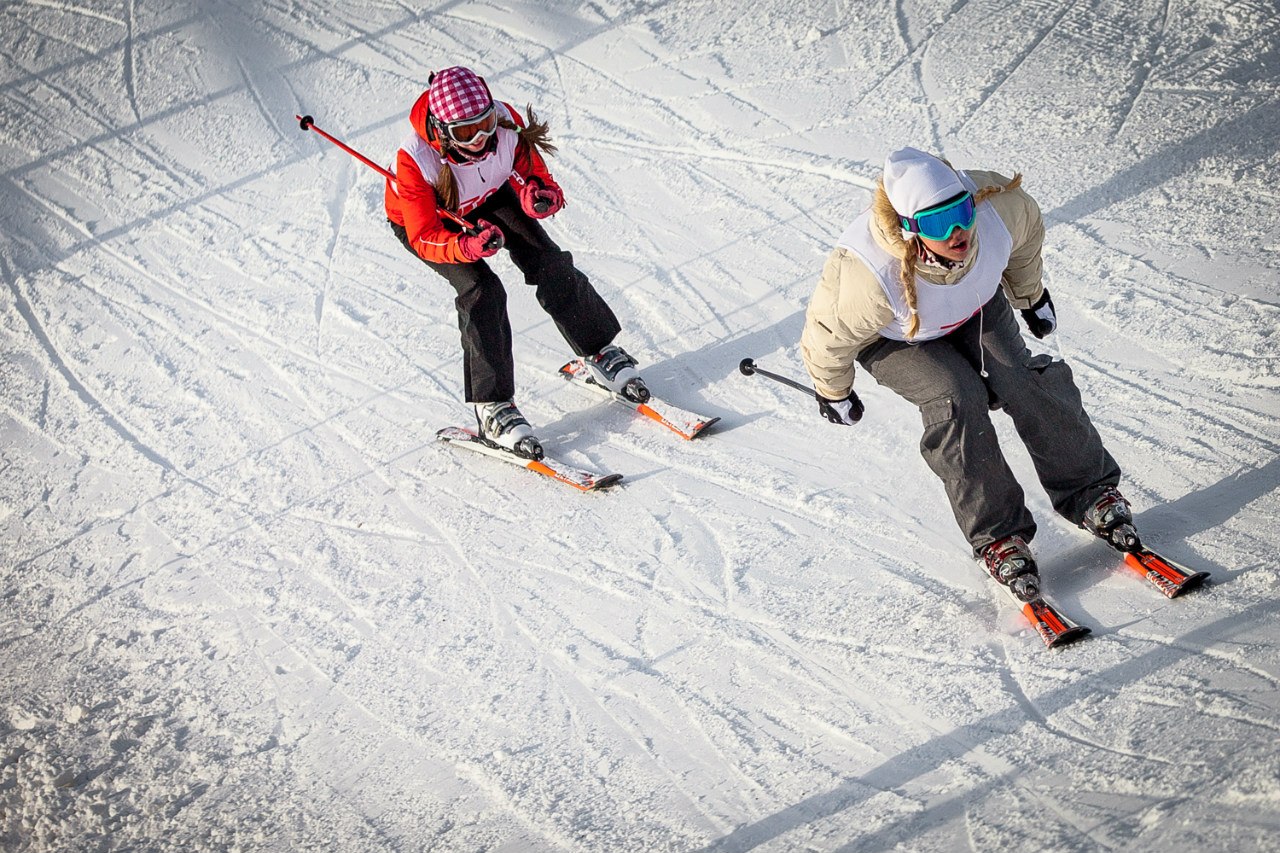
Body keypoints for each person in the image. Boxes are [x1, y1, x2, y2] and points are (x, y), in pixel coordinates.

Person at [800, 147, 1138, 601]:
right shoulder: (868, 274)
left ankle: (1090, 492)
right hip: (897, 338)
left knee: (1020, 377)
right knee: (955, 396)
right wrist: (833, 391)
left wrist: (1030, 296)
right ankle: (999, 535)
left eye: (961, 212)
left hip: (973, 308)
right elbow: (827, 334)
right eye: (939, 224)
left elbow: (1025, 240)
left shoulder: (999, 210)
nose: (958, 231)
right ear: (911, 229)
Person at [385, 66, 646, 460]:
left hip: (489, 194)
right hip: (437, 224)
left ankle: (598, 351)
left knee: (549, 261)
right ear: (441, 131)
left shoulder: (507, 122)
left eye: (485, 122)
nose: (480, 138)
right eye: (465, 133)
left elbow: (529, 169)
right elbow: (424, 236)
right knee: (482, 290)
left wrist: (539, 193)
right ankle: (493, 407)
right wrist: (467, 246)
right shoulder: (415, 162)